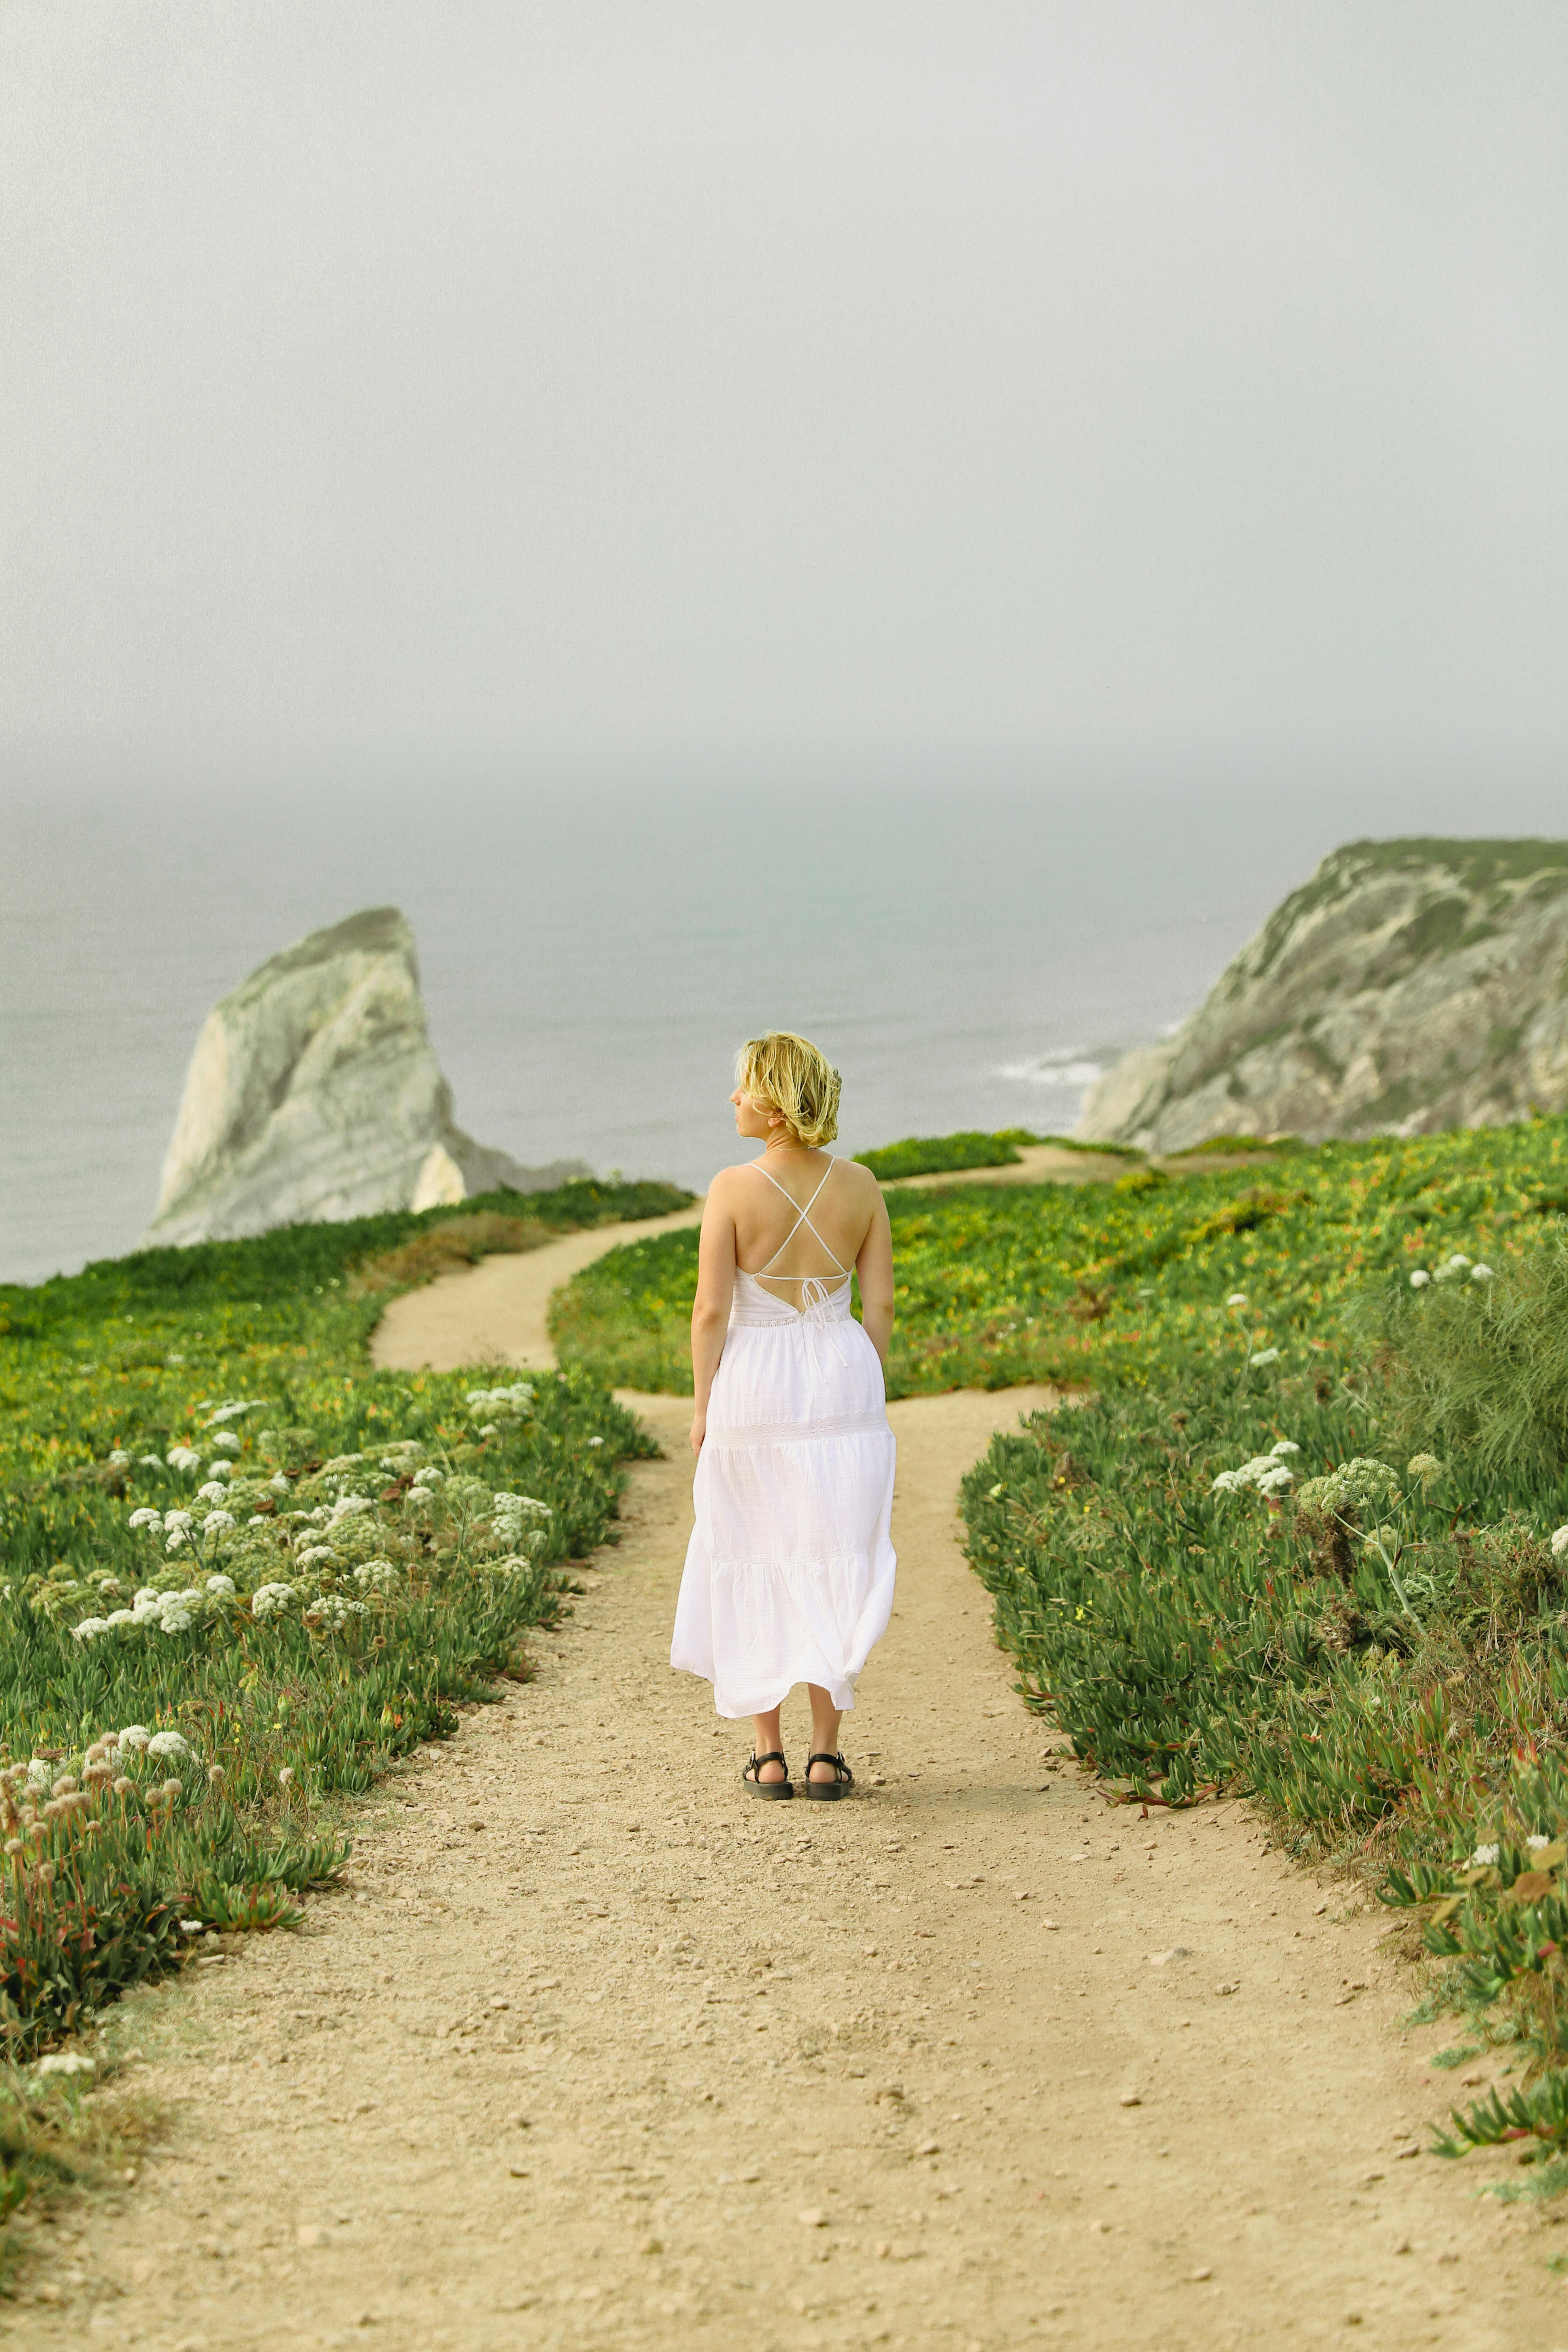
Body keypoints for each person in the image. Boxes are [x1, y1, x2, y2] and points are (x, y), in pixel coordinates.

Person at [670, 1031, 896, 1799]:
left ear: (773, 1101)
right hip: (841, 1376)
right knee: (835, 1553)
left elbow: (709, 1311)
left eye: (742, 1087)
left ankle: (768, 1756)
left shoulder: (732, 1188)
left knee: (752, 1549)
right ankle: (826, 1757)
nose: (733, 1099)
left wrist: (702, 1408)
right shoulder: (862, 1185)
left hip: (755, 1382)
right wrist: (858, 1380)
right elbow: (882, 1306)